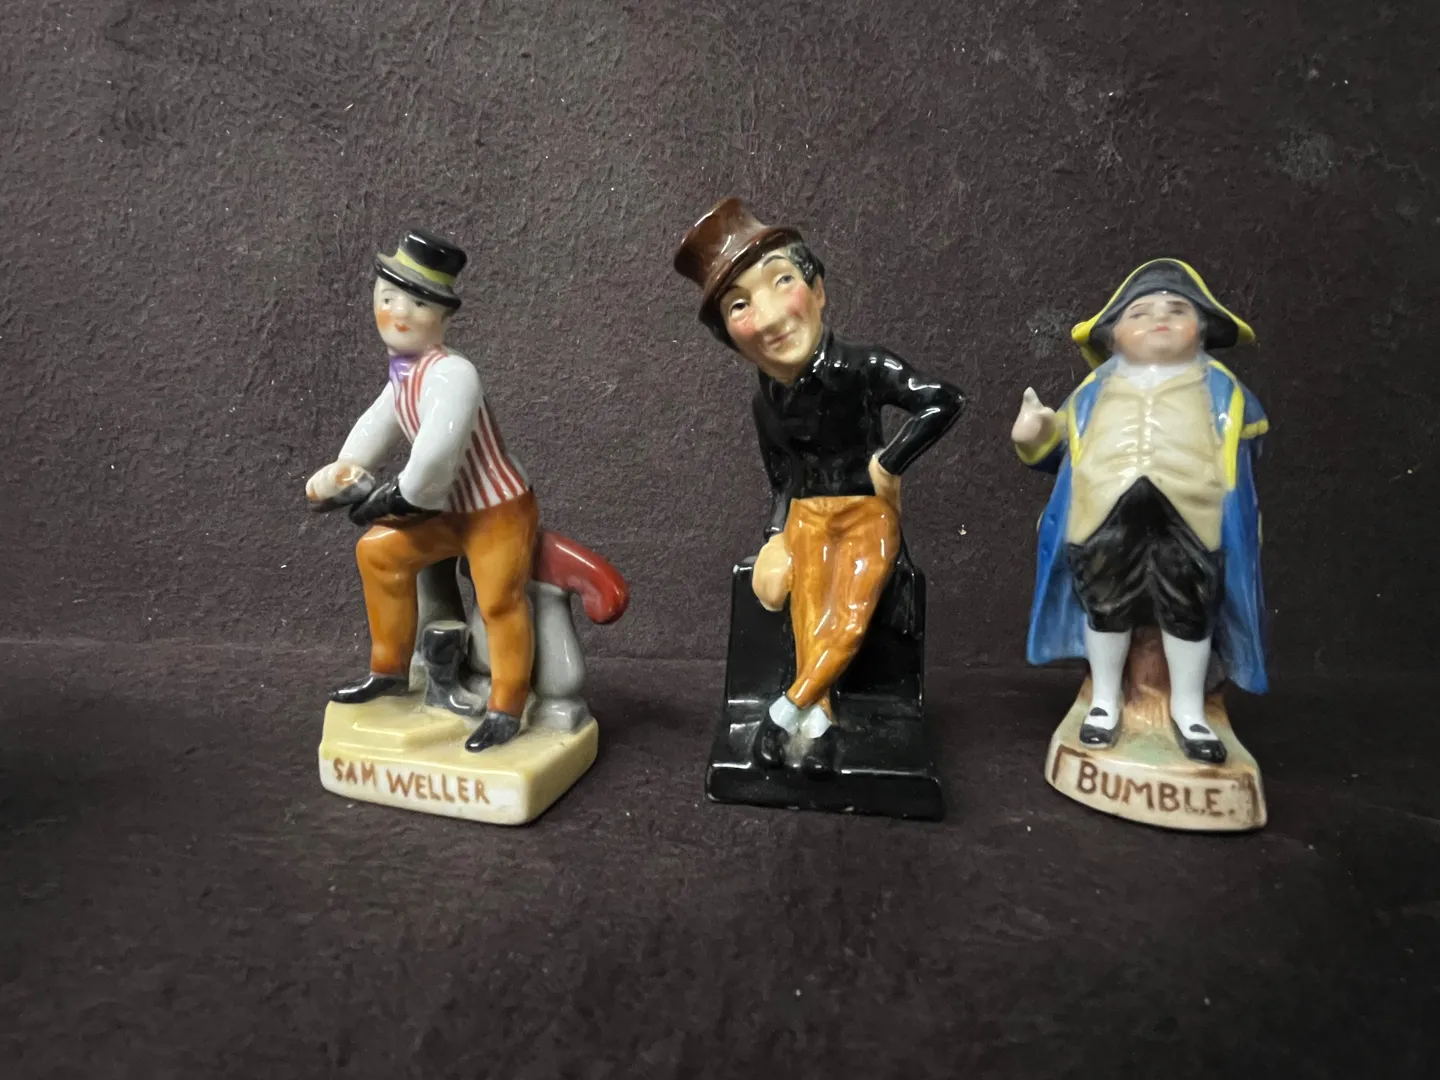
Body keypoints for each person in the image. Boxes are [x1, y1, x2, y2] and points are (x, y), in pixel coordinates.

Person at [674, 198, 964, 776]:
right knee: (809, 620)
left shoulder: (862, 366)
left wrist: (890, 462)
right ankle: (819, 725)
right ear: (731, 338)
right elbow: (782, 478)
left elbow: (942, 401)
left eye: (782, 280)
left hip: (864, 513)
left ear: (819, 289)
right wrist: (774, 537)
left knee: (850, 614)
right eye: (740, 305)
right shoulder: (765, 403)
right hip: (807, 518)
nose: (769, 317)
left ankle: (785, 711)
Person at [1013, 259, 1269, 764]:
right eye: (1140, 312)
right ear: (1113, 334)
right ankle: (1105, 700)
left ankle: (1188, 709)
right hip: (1103, 511)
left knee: (1190, 608)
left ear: (1202, 328)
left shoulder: (1224, 391)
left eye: (1177, 310)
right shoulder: (1092, 391)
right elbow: (1053, 451)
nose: (1160, 320)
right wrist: (1034, 433)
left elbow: (1251, 451)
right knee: (1105, 603)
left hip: (1193, 516)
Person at [305, 228, 538, 753]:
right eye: (389, 298)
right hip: (447, 509)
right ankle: (389, 669)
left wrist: (393, 500)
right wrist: (343, 471)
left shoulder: (454, 374)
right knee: (378, 553)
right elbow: (373, 427)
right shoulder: (403, 376)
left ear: (444, 317)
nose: (400, 313)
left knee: (499, 601)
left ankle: (506, 706)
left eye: (418, 303)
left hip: (496, 509)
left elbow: (434, 457)